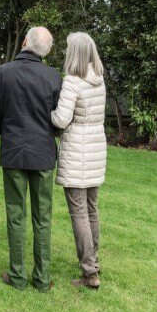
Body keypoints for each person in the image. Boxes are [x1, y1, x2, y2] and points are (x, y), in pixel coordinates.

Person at [0, 27, 61, 292]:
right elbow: (61, 119)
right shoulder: (53, 76)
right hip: (43, 152)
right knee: (43, 217)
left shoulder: (2, 72)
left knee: (16, 214)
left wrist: (8, 130)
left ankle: (17, 276)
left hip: (14, 150)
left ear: (24, 42)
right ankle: (42, 279)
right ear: (46, 51)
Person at [51, 32, 107, 290]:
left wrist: (46, 112)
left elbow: (62, 119)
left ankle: (89, 271)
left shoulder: (73, 82)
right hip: (96, 147)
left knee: (78, 211)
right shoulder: (99, 80)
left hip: (77, 150)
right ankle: (94, 261)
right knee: (92, 208)